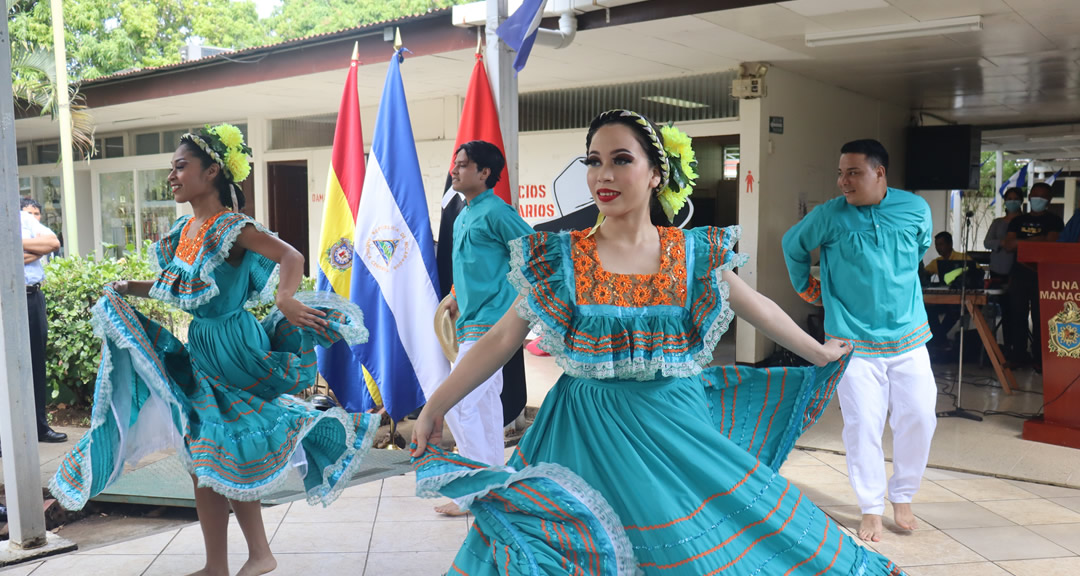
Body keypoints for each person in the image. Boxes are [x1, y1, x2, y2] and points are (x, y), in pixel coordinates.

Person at [411, 110, 909, 575]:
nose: (604, 175)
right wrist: (437, 403)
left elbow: (754, 304)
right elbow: (501, 339)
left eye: (621, 160)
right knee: (569, 548)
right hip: (583, 429)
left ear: (655, 174)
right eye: (595, 162)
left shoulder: (690, 253)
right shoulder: (562, 257)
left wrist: (818, 351)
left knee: (699, 544)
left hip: (674, 421)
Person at [49, 124, 377, 576]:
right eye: (171, 169)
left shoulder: (231, 226)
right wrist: (128, 288)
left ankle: (254, 555)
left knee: (215, 449)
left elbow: (291, 257)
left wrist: (285, 297)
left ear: (213, 171)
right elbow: (175, 287)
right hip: (203, 344)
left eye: (181, 167)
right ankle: (226, 562)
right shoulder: (187, 229)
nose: (172, 176)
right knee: (208, 458)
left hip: (234, 346)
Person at [783, 139, 936, 543]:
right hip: (852, 341)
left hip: (909, 335)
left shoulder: (915, 209)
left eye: (853, 172)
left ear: (879, 173)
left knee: (919, 417)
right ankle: (871, 507)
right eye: (840, 173)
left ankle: (903, 495)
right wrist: (806, 287)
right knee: (863, 424)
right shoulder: (829, 216)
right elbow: (792, 245)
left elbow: (919, 247)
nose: (843, 182)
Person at [436, 140, 534, 516]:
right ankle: (497, 484)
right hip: (469, 323)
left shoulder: (497, 211)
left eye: (463, 165)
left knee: (461, 403)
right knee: (483, 409)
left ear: (485, 173)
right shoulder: (463, 215)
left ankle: (478, 491)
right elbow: (470, 267)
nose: (455, 170)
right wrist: (455, 293)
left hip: (492, 326)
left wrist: (518, 304)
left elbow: (534, 252)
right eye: (455, 164)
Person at [20, 198, 68, 444]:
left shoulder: (25, 219)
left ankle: (40, 427)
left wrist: (15, 246)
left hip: (32, 297)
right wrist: (33, 250)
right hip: (6, 299)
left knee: (36, 364)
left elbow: (53, 242)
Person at [1004, 181, 1065, 370]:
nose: (1036, 199)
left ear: (1048, 200)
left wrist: (1022, 241)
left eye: (1041, 196)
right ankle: (1018, 356)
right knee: (1017, 316)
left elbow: (1052, 243)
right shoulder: (1017, 220)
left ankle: (1040, 359)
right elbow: (1008, 245)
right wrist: (1038, 240)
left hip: (1043, 275)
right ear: (1029, 197)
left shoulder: (1055, 220)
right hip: (1019, 275)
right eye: (1034, 195)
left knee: (1041, 318)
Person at [983, 187, 1024, 360]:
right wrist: (1004, 242)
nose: (1012, 201)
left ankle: (1019, 348)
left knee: (1017, 311)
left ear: (1021, 201)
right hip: (998, 269)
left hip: (1019, 270)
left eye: (1016, 198)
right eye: (1009, 198)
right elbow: (987, 242)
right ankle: (1005, 347)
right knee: (1003, 308)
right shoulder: (998, 223)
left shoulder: (1025, 221)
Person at [922, 231, 967, 355]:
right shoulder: (937, 262)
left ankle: (937, 340)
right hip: (944, 298)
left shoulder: (963, 258)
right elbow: (925, 273)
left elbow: (976, 273)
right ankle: (940, 340)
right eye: (936, 245)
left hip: (961, 299)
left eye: (941, 244)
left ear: (950, 244)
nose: (938, 248)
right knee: (928, 309)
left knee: (954, 311)